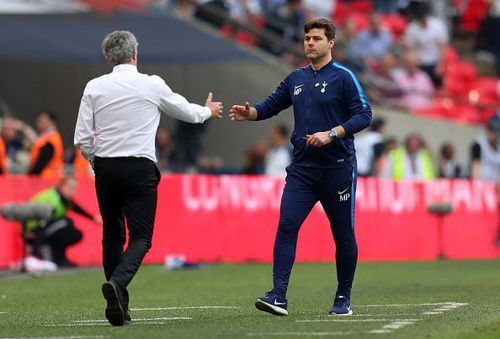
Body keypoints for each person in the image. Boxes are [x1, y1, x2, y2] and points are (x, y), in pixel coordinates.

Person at [74, 30, 223, 326]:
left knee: (112, 234)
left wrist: (97, 162)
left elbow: (82, 138)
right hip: (139, 168)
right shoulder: (151, 84)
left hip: (105, 168)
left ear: (108, 58)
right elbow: (187, 113)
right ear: (135, 54)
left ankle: (119, 304)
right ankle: (117, 284)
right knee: (141, 237)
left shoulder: (94, 86)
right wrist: (207, 111)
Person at [229, 18, 372, 316]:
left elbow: (364, 115)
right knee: (286, 225)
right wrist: (250, 112)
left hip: (338, 168)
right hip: (303, 170)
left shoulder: (344, 77)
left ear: (330, 42)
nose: (309, 42)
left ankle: (343, 298)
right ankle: (278, 295)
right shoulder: (296, 78)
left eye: (316, 38)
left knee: (343, 233)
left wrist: (331, 133)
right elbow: (270, 105)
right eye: (307, 38)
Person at [27, 175, 101, 267]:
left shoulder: (63, 198)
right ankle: (47, 254)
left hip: (47, 228)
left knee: (74, 233)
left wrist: (93, 218)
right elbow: (40, 222)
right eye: (70, 188)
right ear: (62, 186)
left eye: (74, 189)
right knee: (66, 223)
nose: (73, 192)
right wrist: (34, 244)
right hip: (35, 230)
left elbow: (75, 207)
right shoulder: (52, 200)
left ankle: (60, 258)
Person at [28, 111, 64, 178]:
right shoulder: (46, 137)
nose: (39, 122)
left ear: (52, 122)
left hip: (47, 177)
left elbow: (42, 161)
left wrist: (31, 175)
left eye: (43, 120)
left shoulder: (51, 139)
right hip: (48, 176)